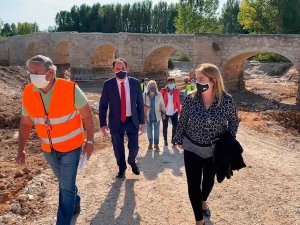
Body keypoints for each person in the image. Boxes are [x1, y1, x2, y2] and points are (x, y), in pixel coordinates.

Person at [16, 55, 95, 225]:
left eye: (36, 72)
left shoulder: (70, 89)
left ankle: (63, 221)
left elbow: (88, 115)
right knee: (65, 183)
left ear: (50, 73)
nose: (32, 76)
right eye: (30, 72)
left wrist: (90, 142)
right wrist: (21, 148)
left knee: (65, 188)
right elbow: (25, 122)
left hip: (71, 147)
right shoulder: (28, 92)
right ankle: (75, 201)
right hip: (48, 149)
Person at [174, 63, 239, 225]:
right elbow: (182, 120)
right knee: (193, 183)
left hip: (214, 150)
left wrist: (229, 141)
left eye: (201, 79)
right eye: (196, 79)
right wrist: (178, 138)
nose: (197, 82)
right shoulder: (191, 99)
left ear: (213, 80)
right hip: (192, 146)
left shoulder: (227, 101)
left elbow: (233, 121)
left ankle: (204, 200)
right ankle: (199, 219)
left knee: (209, 179)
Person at [99, 58, 145, 178]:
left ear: (127, 69)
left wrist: (142, 121)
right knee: (118, 148)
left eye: (123, 68)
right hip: (116, 121)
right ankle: (122, 168)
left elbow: (140, 104)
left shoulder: (135, 83)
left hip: (132, 120)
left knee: (134, 147)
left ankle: (131, 161)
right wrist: (102, 124)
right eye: (118, 69)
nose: (121, 71)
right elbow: (103, 105)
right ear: (113, 70)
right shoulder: (108, 85)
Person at [143, 80, 166, 152]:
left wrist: (164, 113)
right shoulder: (144, 95)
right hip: (147, 116)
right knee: (149, 131)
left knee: (156, 131)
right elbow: (141, 105)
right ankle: (150, 143)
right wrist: (146, 107)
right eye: (150, 85)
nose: (152, 86)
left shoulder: (159, 95)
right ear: (148, 86)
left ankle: (156, 144)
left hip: (157, 116)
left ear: (156, 86)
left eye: (153, 85)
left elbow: (162, 104)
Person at [160, 76, 181, 147]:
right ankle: (165, 140)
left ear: (174, 83)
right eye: (169, 82)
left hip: (174, 111)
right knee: (165, 126)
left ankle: (173, 140)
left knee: (175, 126)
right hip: (165, 111)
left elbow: (178, 101)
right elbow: (160, 101)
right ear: (167, 83)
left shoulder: (176, 91)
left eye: (172, 82)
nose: (171, 83)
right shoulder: (163, 90)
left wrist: (179, 111)